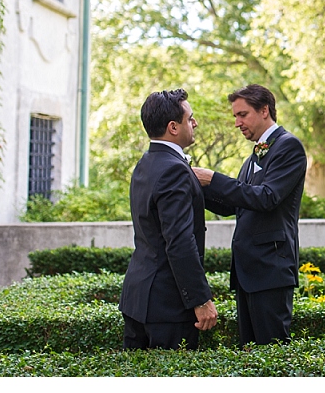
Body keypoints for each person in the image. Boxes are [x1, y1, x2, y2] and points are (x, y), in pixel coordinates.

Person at [194, 84, 307, 346]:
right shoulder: (255, 154)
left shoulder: (288, 147)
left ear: (264, 110)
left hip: (270, 270)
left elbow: (267, 197)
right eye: (235, 116)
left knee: (271, 353)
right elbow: (234, 204)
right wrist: (195, 188)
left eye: (242, 115)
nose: (237, 123)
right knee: (250, 352)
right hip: (249, 273)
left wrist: (213, 179)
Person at [119, 89, 218, 350]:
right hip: (167, 307)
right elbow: (179, 242)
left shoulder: (146, 162)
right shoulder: (174, 169)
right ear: (173, 127)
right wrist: (200, 300)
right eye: (190, 119)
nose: (194, 123)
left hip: (137, 298)